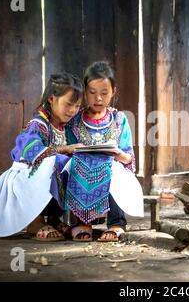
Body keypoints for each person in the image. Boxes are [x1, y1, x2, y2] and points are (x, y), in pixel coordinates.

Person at [0, 73, 84, 241]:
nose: (73, 110)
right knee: (54, 162)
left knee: (73, 165)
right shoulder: (38, 125)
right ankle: (34, 222)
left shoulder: (68, 128)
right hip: (25, 181)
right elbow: (31, 151)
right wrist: (65, 149)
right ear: (51, 99)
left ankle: (53, 219)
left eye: (77, 106)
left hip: (47, 179)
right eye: (69, 104)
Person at [65, 61, 144, 242]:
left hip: (112, 168)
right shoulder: (75, 121)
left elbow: (128, 159)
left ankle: (117, 223)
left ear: (113, 91)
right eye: (92, 93)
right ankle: (83, 222)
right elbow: (68, 152)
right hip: (83, 170)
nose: (98, 99)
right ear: (84, 92)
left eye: (104, 93)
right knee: (77, 166)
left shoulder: (119, 120)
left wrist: (117, 154)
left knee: (113, 169)